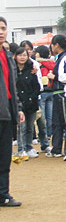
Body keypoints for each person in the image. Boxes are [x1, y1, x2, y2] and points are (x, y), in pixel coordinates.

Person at [0, 16, 24, 207]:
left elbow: (13, 86)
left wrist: (18, 108)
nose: (1, 32)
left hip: (7, 110)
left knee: (4, 155)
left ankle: (3, 194)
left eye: (3, 28)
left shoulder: (8, 56)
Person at [45, 35, 66, 158]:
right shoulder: (59, 57)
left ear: (57, 45)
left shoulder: (65, 58)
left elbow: (65, 75)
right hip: (57, 93)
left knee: (64, 121)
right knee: (57, 122)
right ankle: (57, 148)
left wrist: (53, 77)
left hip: (62, 92)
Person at [14, 46, 40, 159]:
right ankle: (21, 149)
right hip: (19, 103)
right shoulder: (12, 70)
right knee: (21, 128)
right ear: (15, 56)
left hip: (31, 102)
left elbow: (37, 86)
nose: (22, 57)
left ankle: (29, 147)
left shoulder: (31, 69)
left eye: (24, 55)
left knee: (30, 127)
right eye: (20, 55)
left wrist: (32, 98)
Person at [35, 45, 54, 142]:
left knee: (42, 117)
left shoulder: (38, 64)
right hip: (51, 91)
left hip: (42, 92)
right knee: (50, 115)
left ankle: (44, 135)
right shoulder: (52, 63)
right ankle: (50, 133)